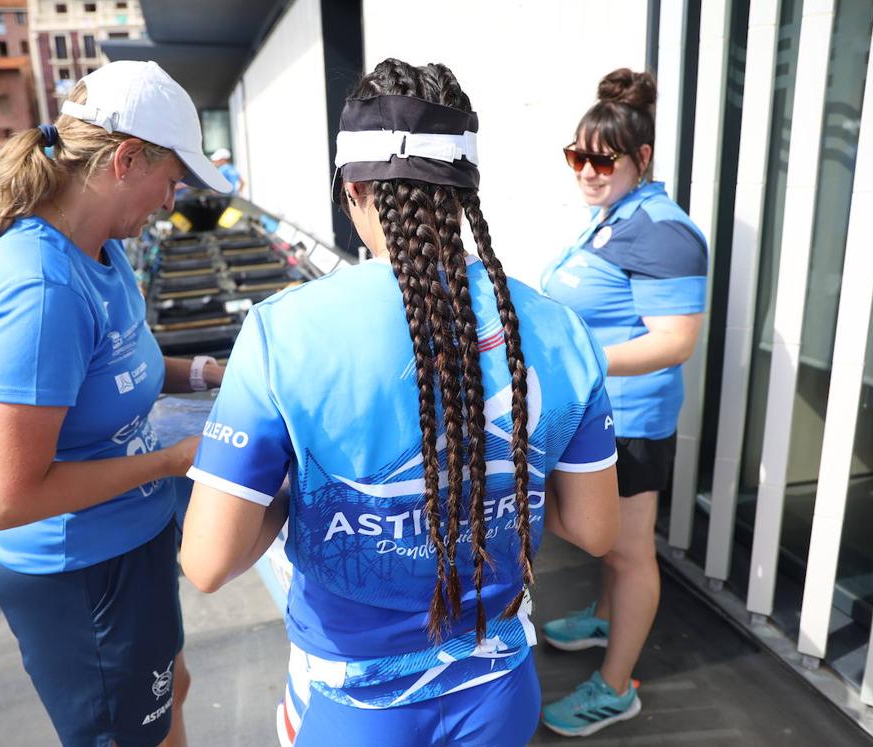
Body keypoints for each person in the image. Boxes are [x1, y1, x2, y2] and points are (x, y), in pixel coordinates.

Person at [179, 58, 621, 747]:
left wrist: (311, 498)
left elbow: (208, 562)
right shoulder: (562, 330)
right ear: (467, 188)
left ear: (352, 188)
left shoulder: (282, 332)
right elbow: (596, 531)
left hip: (351, 704)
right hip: (498, 691)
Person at [0, 60, 231, 747]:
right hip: (82, 574)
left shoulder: (99, 253)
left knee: (175, 693)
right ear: (126, 159)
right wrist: (171, 459)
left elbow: (119, 363)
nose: (172, 202)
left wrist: (208, 373)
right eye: (171, 181)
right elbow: (7, 497)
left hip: (129, 544)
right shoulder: (42, 292)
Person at [538, 68, 708, 737]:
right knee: (609, 548)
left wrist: (572, 360)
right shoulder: (610, 217)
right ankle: (603, 619)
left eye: (602, 158)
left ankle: (616, 688)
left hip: (631, 419)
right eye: (577, 155)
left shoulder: (665, 231)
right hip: (595, 413)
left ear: (641, 159)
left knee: (630, 551)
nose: (587, 170)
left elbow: (674, 342)